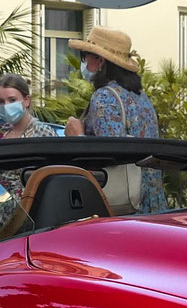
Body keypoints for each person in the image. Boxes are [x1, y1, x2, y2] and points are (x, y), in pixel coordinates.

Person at [63, 27, 165, 213]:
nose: (83, 62)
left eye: (85, 56)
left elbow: (109, 153)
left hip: (127, 205)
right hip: (153, 202)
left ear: (100, 60)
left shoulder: (104, 97)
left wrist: (77, 135)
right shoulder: (141, 97)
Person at [0, 73, 60, 142]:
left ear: (26, 100)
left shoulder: (43, 132)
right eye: (1, 101)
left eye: (12, 100)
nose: (6, 106)